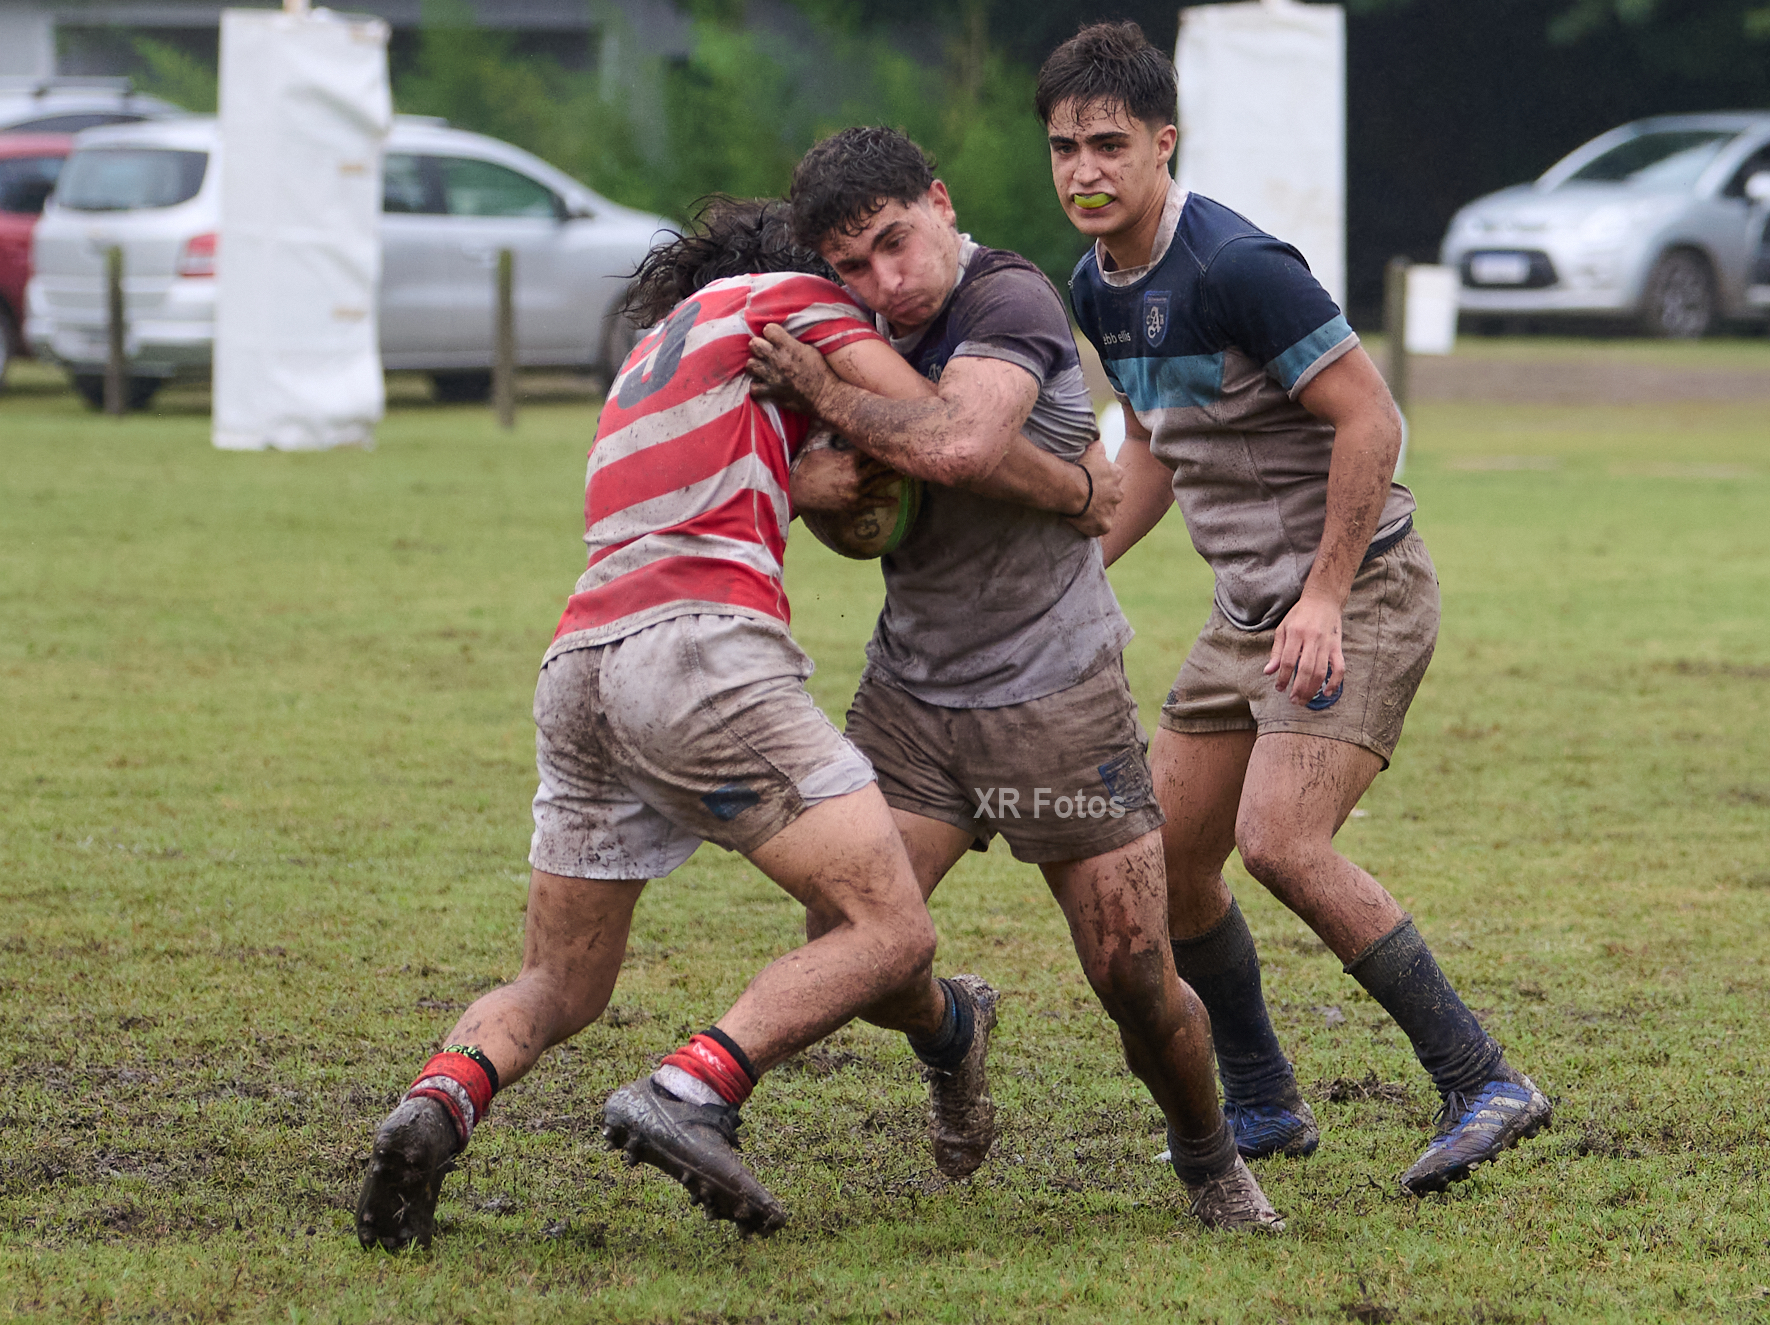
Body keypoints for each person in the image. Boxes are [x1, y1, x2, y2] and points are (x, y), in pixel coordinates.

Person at [354, 199, 1109, 1250]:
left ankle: (437, 1099)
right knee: (888, 925)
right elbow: (946, 431)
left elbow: (730, 487)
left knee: (558, 979)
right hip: (697, 655)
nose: (864, 290)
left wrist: (801, 483)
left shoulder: (648, 356)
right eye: (847, 270)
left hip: (576, 663)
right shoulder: (789, 303)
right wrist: (1079, 489)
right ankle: (690, 1086)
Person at [1039, 23, 1553, 1194]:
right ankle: (1263, 1099)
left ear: (1162, 143)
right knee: (1162, 866)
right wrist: (1073, 575)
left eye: (1108, 144)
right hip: (1244, 611)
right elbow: (1157, 450)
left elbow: (1371, 421)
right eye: (1064, 147)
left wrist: (1322, 596)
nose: (1083, 170)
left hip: (1356, 586)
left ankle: (1481, 1077)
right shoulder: (1096, 286)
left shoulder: (1237, 266)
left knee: (1277, 837)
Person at [745, 126, 1283, 1231]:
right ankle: (953, 1026)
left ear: (940, 203)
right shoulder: (841, 326)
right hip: (913, 699)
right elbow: (859, 507)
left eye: (896, 243)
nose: (882, 285)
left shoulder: (1009, 299)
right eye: (850, 267)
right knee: (843, 946)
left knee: (1132, 969)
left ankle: (1211, 1159)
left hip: (1054, 695)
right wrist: (814, 484)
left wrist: (830, 396)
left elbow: (950, 444)